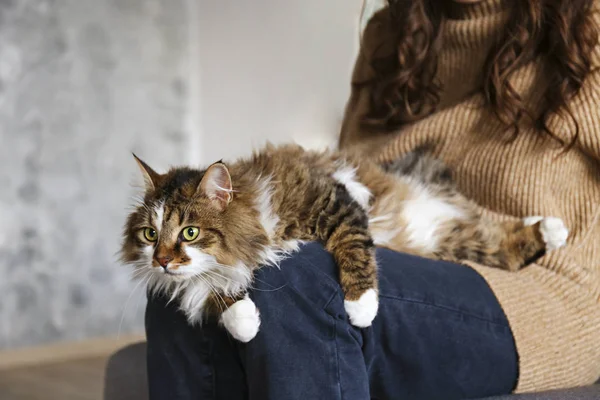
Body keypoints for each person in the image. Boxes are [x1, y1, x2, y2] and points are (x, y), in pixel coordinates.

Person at [145, 0, 600, 398]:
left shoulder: (588, 24)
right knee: (181, 287)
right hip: (399, 242)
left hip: (538, 285)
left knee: (297, 279)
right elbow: (348, 167)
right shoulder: (391, 33)